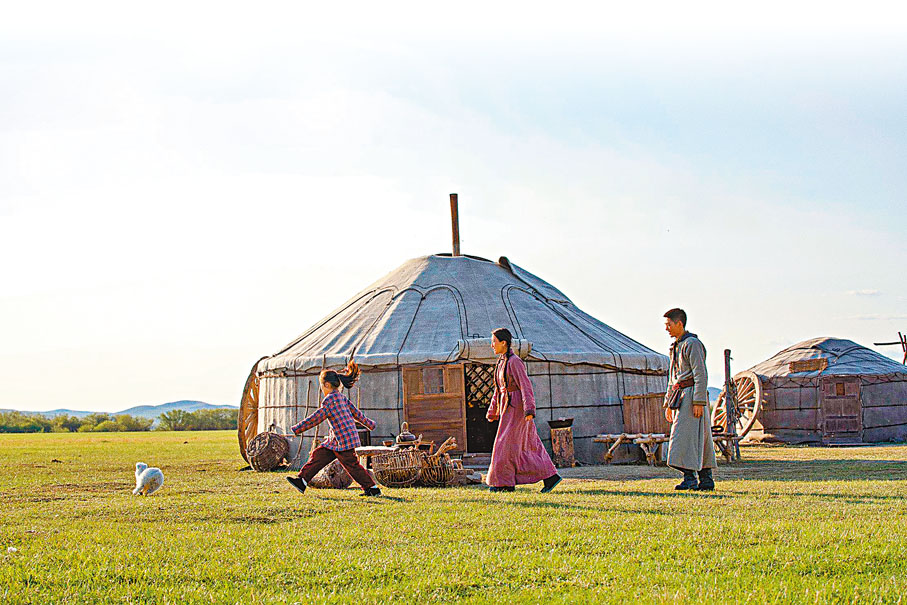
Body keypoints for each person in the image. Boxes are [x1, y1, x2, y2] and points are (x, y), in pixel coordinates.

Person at [285, 361, 381, 497]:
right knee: (318, 456)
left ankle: (372, 488)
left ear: (327, 385)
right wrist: (370, 424)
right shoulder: (342, 397)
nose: (322, 390)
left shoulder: (329, 400)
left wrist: (297, 429)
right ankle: (302, 480)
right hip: (336, 441)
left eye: (321, 387)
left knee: (352, 466)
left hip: (343, 441)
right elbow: (357, 414)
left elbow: (315, 418)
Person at [486, 328, 562, 493]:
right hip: (507, 408)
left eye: (494, 341)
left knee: (504, 446)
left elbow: (525, 386)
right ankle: (550, 477)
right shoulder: (500, 362)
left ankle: (504, 484)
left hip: (518, 409)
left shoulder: (515, 362)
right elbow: (499, 389)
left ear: (503, 342)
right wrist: (493, 411)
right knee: (526, 445)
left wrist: (529, 409)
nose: (492, 345)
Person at [663, 308, 717, 491]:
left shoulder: (692, 344)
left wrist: (699, 401)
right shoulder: (676, 347)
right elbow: (672, 378)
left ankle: (691, 479)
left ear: (679, 323)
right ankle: (705, 480)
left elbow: (700, 373)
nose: (666, 329)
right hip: (680, 396)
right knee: (695, 439)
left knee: (685, 438)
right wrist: (669, 403)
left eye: (669, 325)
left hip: (691, 395)